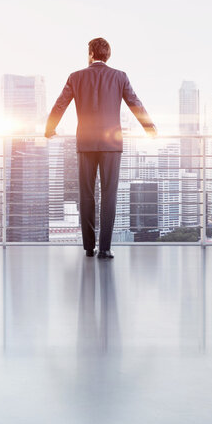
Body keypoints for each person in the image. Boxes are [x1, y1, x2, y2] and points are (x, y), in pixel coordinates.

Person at [44, 37, 157, 259]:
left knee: (86, 195)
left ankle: (88, 247)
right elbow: (135, 102)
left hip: (85, 143)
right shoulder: (119, 77)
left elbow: (60, 104)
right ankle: (104, 248)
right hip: (111, 146)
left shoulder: (76, 77)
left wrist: (50, 128)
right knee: (109, 195)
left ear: (90, 54)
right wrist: (149, 127)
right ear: (108, 55)